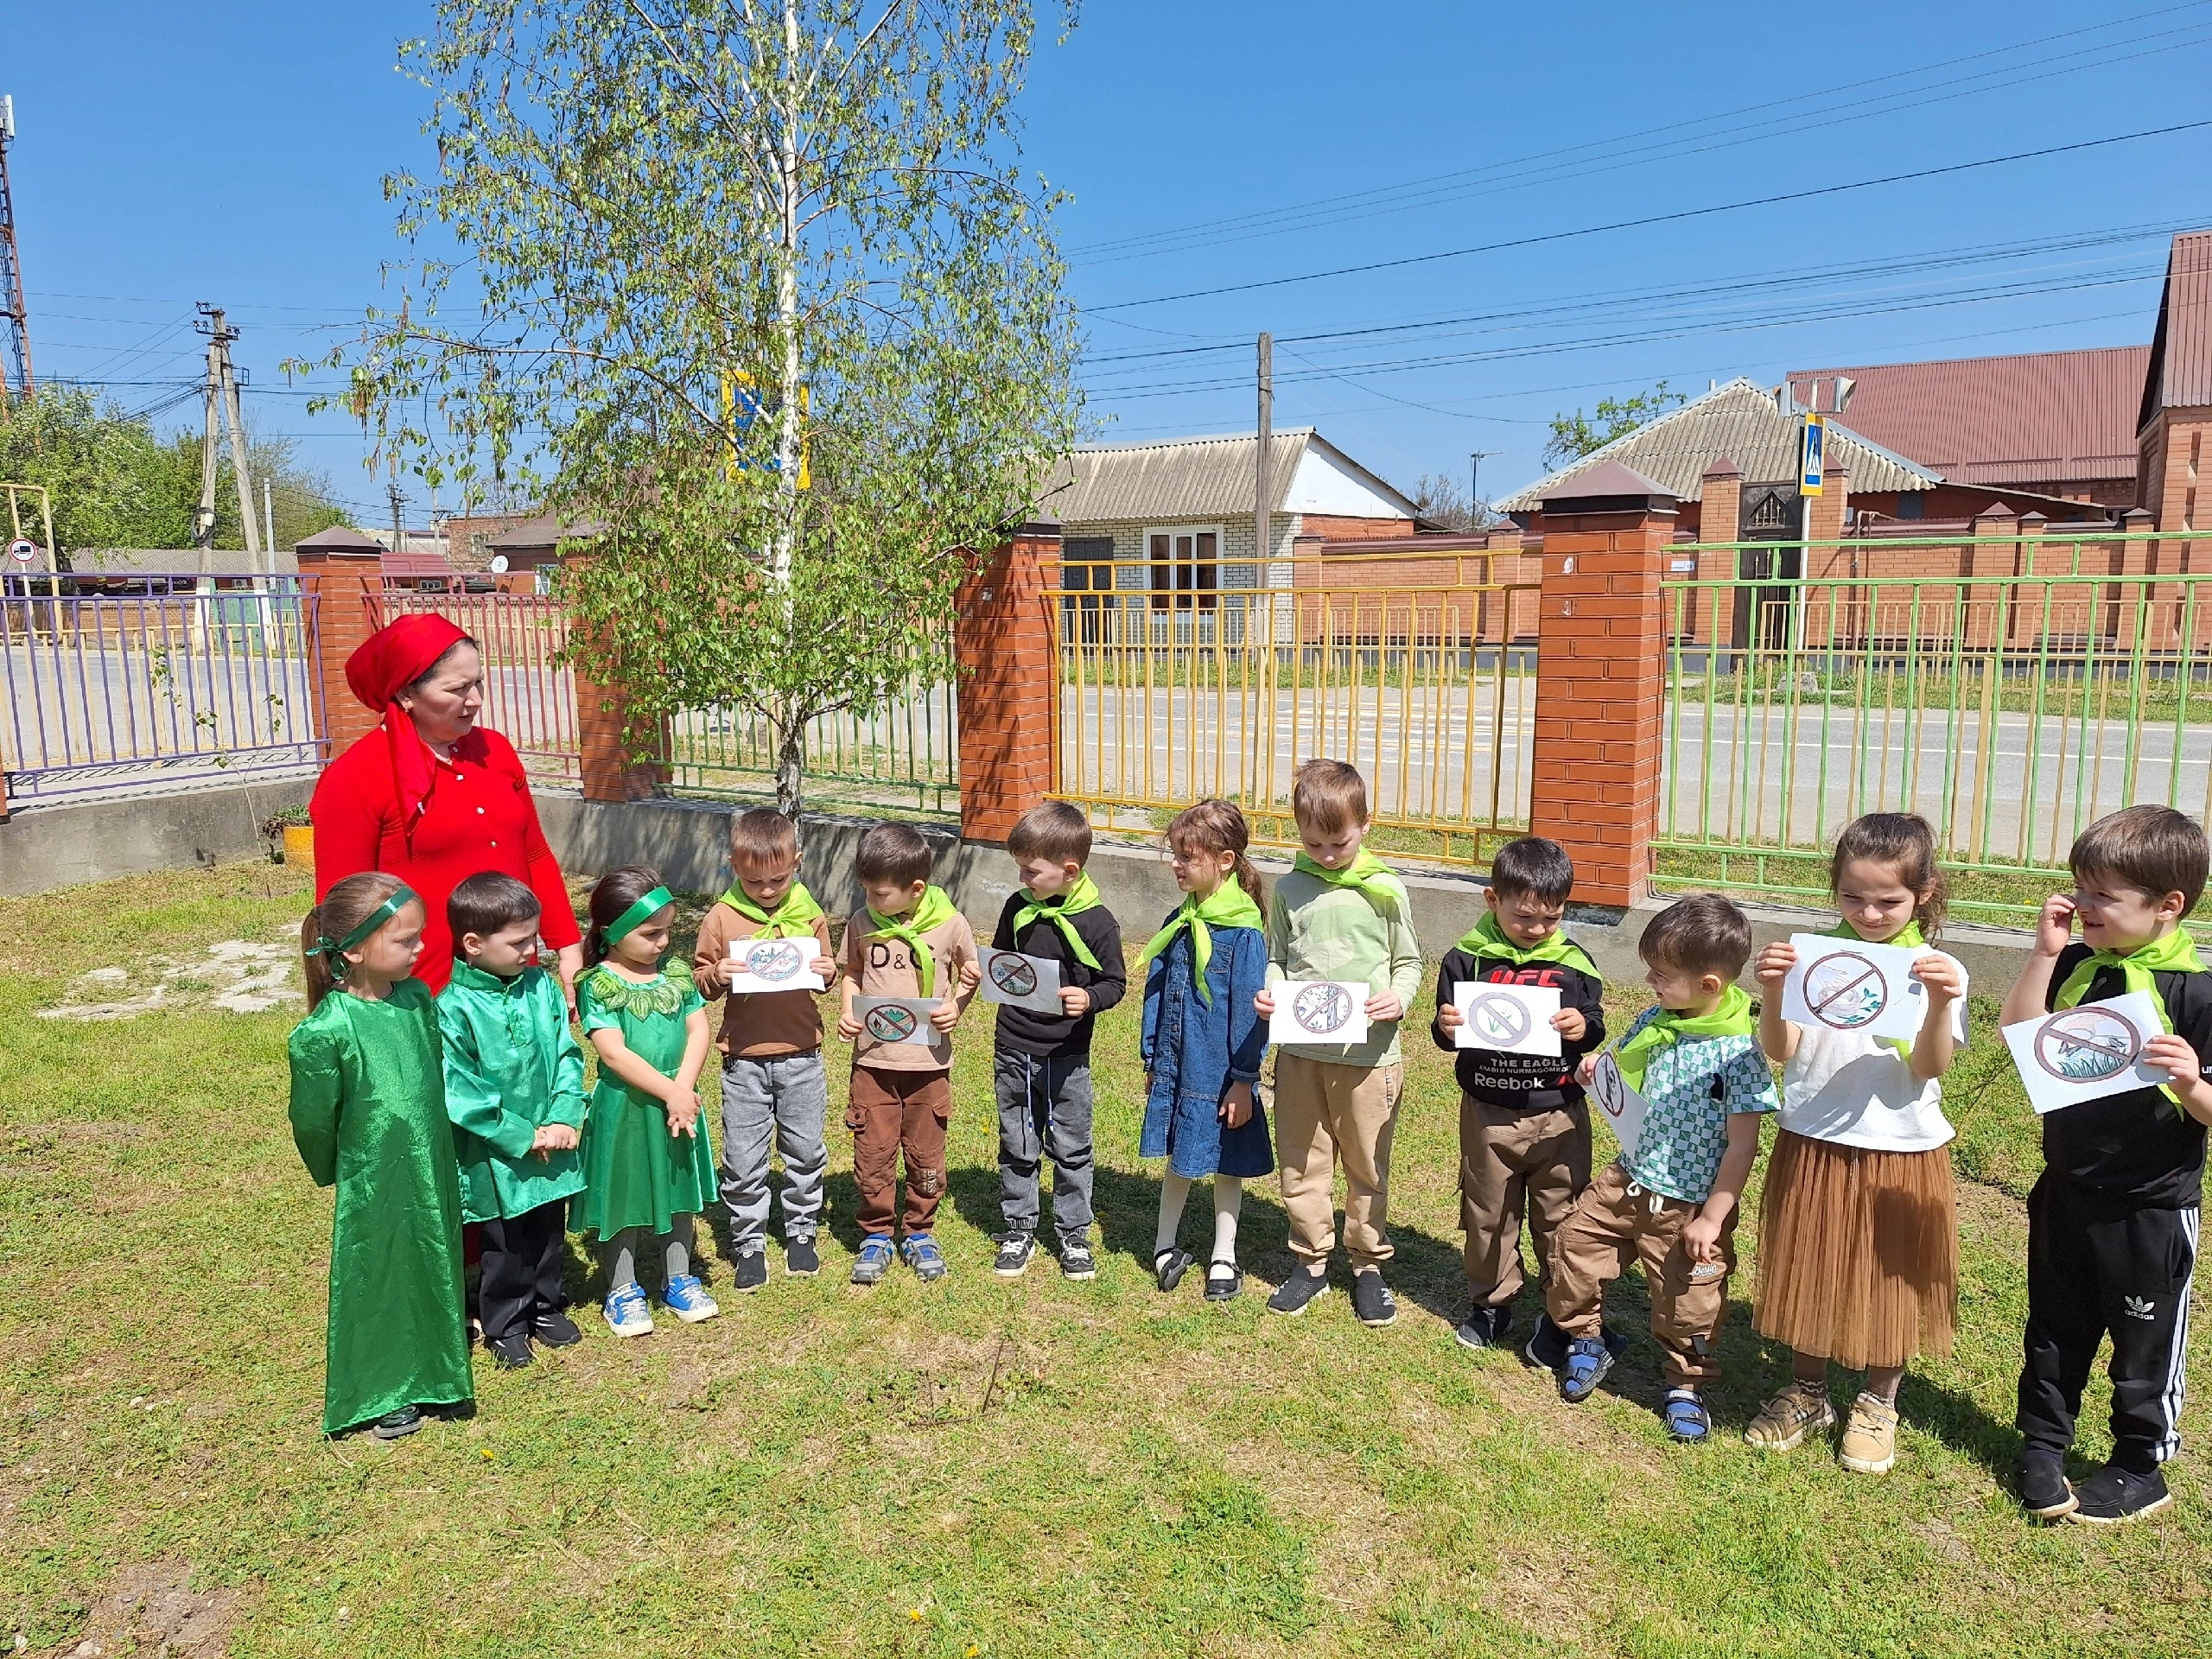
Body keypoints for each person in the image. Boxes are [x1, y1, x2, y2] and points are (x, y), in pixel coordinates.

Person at [2005, 804, 2212, 1524]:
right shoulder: (2076, 966)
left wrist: (2189, 1082)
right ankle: (2043, 1443)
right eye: (2079, 888)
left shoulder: (2197, 994)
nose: (2082, 904)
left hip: (2150, 1206)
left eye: (2103, 895)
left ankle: (2139, 1463)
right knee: (2053, 1327)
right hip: (2065, 1188)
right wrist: (2044, 953)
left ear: (2167, 906)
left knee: (2142, 1342)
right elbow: (2019, 1035)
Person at [1746, 813, 1966, 1475]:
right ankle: (1808, 1391)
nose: (1869, 914)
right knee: (1810, 1264)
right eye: (1852, 897)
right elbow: (1781, 1049)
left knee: (1891, 1277)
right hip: (1814, 1135)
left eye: (1888, 901)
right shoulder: (1815, 960)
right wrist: (1774, 990)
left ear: (1924, 893)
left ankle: (1878, 1402)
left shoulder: (1936, 969)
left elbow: (1928, 1065)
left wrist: (1938, 1004)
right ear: (1834, 887)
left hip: (1902, 1147)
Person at [1547, 893, 1778, 1442]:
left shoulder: (1739, 1054)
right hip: (1626, 1180)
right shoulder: (1657, 1020)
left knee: (1689, 1303)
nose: (1649, 981)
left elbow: (1742, 1147)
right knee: (1574, 1248)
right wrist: (1595, 1070)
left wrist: (1712, 1218)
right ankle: (1588, 1339)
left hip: (1689, 1205)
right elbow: (1621, 1072)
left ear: (1709, 985)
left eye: (1661, 975)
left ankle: (1685, 1385)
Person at [287, 873, 473, 1440]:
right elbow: (313, 1120)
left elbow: (432, 1071)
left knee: (433, 1251)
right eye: (406, 939)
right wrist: (342, 1170)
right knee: (382, 1268)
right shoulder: (325, 1031)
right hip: (374, 1176)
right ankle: (386, 1386)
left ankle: (438, 1368)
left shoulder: (416, 999)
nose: (421, 948)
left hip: (430, 1162)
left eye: (420, 935)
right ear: (353, 951)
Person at [309, 613, 582, 998]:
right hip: (420, 990)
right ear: (406, 694)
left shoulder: (494, 750)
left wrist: (567, 947)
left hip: (514, 978)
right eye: (457, 689)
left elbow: (533, 854)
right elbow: (342, 906)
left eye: (478, 683)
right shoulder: (356, 777)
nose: (476, 700)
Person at [1252, 760, 1424, 1327]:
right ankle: (1310, 1259)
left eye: (1339, 843)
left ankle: (1368, 1264)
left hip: (1367, 1058)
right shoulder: (1290, 889)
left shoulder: (1386, 891)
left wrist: (1398, 998)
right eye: (1313, 844)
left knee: (1366, 1164)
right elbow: (1279, 958)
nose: (1326, 855)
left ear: (1365, 825)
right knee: (1302, 1160)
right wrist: (1272, 991)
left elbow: (1408, 962)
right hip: (1301, 1055)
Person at [1431, 836, 1606, 1355]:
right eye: (1524, 917)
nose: (1537, 929)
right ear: (1493, 900)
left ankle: (1563, 1310)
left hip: (1559, 1116)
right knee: (1488, 1212)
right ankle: (1493, 1302)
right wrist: (1446, 1027)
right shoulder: (1465, 959)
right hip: (1488, 1113)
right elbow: (1446, 1034)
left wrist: (1582, 1028)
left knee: (1562, 1215)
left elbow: (1594, 1025)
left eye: (1552, 918)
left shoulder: (1574, 964)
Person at [436, 871, 588, 1370]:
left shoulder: (541, 987)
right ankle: (505, 1322)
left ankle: (546, 1305)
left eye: (534, 938)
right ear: (473, 944)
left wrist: (564, 1116)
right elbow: (460, 1090)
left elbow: (566, 1054)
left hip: (553, 1136)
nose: (531, 950)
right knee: (504, 1240)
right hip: (496, 1150)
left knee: (548, 1228)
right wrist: (523, 1135)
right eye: (519, 942)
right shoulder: (452, 1007)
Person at [693, 809, 839, 1289]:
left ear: (797, 862)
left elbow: (825, 976)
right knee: (743, 1158)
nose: (768, 890)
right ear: (733, 865)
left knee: (806, 1149)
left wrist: (828, 972)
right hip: (744, 1061)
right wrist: (717, 974)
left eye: (779, 879)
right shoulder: (720, 917)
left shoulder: (809, 913)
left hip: (802, 1054)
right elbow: (701, 980)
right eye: (754, 881)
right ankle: (749, 1241)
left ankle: (801, 1230)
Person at [574, 867, 721, 1336]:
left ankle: (679, 1277)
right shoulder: (597, 984)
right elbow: (613, 1053)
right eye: (651, 933)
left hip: (679, 1105)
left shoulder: (675, 976)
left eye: (668, 931)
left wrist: (684, 1089)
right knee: (624, 1192)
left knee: (679, 1188)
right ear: (612, 933)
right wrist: (672, 1092)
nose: (664, 942)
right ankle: (622, 1287)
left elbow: (698, 1030)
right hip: (626, 1110)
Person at [836, 821, 982, 1286]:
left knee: (926, 1153)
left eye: (880, 894)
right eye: (866, 890)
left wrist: (956, 1006)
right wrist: (848, 1012)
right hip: (873, 1064)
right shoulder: (862, 923)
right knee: (873, 1151)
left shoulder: (950, 923)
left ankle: (920, 1230)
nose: (870, 900)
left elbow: (972, 971)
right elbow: (852, 974)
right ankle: (876, 1233)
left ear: (916, 889)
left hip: (927, 1066)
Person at [1138, 800, 1271, 1302]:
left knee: (1226, 1161)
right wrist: (1153, 1056)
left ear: (1225, 860)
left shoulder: (1243, 931)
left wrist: (1243, 1079)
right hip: (1177, 1063)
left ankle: (1224, 1255)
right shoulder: (1179, 920)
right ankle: (1163, 1246)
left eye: (1187, 857)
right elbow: (1156, 989)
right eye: (1174, 854)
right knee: (1178, 1152)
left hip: (1219, 1072)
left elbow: (1252, 1012)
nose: (1176, 865)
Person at [988, 802, 1127, 1281]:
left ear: (1069, 871)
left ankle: (1074, 1233)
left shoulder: (1098, 922)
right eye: (1021, 869)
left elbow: (1115, 984)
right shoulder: (1017, 908)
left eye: (1032, 871)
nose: (1023, 878)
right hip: (1013, 1045)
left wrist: (1088, 999)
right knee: (1018, 1141)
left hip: (1067, 1054)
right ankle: (1019, 1228)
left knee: (1071, 1146)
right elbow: (1003, 960)